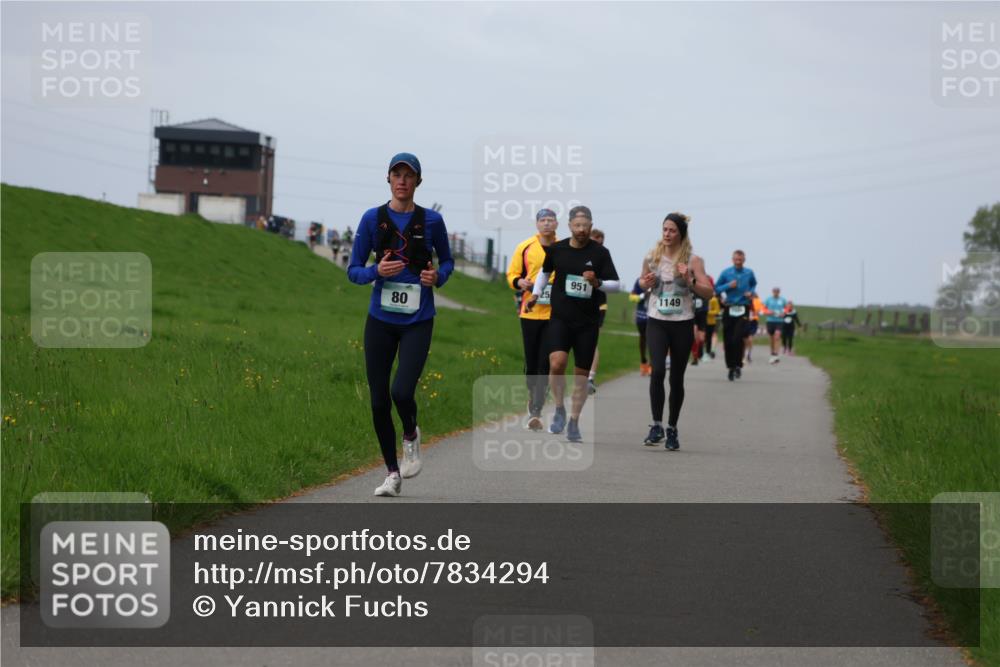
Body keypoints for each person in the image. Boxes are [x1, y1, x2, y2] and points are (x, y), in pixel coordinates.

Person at [347, 152, 454, 497]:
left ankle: (410, 434)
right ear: (388, 179)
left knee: (401, 392)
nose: (402, 180)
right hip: (380, 320)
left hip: (418, 320)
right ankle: (392, 473)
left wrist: (438, 276)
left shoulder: (433, 221)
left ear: (418, 182)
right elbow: (353, 271)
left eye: (409, 175)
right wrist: (375, 272)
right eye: (397, 174)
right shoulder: (371, 219)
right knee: (378, 401)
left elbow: (448, 263)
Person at [524, 206, 619, 443]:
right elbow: (545, 274)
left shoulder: (600, 253)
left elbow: (615, 284)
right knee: (557, 363)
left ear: (590, 226)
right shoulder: (558, 249)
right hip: (560, 318)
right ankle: (558, 408)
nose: (581, 230)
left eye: (585, 226)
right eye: (577, 226)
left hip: (587, 322)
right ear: (569, 226)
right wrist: (536, 295)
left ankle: (574, 421)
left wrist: (597, 282)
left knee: (580, 375)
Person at [637, 213, 714, 450]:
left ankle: (672, 428)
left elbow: (708, 292)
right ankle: (656, 424)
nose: (667, 234)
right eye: (664, 229)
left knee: (676, 378)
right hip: (657, 320)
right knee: (657, 370)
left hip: (682, 323)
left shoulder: (693, 260)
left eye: (672, 230)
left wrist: (689, 280)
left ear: (681, 233)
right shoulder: (652, 257)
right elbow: (641, 282)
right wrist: (646, 282)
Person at [507, 209, 559, 432]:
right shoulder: (525, 246)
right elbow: (511, 275)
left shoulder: (563, 247)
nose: (547, 224)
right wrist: (520, 283)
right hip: (529, 312)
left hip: (554, 314)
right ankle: (532, 396)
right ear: (537, 224)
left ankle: (536, 410)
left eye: (550, 220)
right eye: (543, 220)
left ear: (556, 223)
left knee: (545, 363)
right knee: (531, 363)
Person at [715, 250, 757, 381]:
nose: (738, 262)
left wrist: (750, 292)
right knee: (728, 339)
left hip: (743, 308)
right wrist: (728, 285)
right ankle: (731, 367)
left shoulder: (749, 273)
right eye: (736, 260)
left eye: (740, 260)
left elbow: (754, 284)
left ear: (744, 260)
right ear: (732, 260)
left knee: (737, 338)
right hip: (729, 307)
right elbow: (716, 288)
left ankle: (738, 364)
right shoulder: (726, 273)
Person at [587, 228, 608, 394]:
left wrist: (602, 312)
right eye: (596, 242)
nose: (598, 246)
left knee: (592, 343)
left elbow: (607, 287)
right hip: (573, 306)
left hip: (596, 307)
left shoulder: (603, 260)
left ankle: (590, 378)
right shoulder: (578, 256)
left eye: (601, 243)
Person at [630, 279, 651, 375]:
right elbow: (631, 297)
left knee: (654, 340)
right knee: (643, 337)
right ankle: (643, 362)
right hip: (641, 316)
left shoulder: (658, 280)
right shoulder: (639, 281)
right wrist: (642, 296)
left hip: (654, 316)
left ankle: (652, 365)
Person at [763, 286, 788, 364]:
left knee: (777, 337)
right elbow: (763, 309)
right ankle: (772, 354)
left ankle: (776, 355)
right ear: (772, 291)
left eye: (777, 291)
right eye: (774, 291)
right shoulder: (768, 299)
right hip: (770, 320)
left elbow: (787, 308)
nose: (776, 293)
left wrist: (784, 313)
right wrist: (768, 312)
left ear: (779, 292)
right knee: (771, 339)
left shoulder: (783, 300)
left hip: (779, 321)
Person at [690, 284, 709, 366]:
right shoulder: (689, 285)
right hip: (692, 314)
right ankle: (695, 356)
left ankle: (701, 353)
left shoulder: (704, 284)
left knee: (701, 338)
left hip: (702, 314)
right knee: (694, 335)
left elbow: (710, 293)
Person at [745, 292, 764, 364]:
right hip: (744, 320)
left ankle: (748, 354)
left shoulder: (758, 301)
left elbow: (761, 311)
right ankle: (744, 354)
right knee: (744, 339)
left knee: (749, 338)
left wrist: (757, 312)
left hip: (753, 321)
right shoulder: (744, 300)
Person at [704, 288, 720, 360]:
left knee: (709, 337)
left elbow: (716, 311)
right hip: (702, 320)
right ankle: (702, 353)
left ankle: (708, 352)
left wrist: (707, 312)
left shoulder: (714, 300)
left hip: (711, 321)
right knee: (703, 337)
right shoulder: (703, 298)